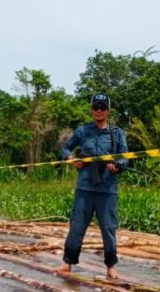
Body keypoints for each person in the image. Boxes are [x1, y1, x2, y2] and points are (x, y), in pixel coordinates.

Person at [54, 93, 128, 279]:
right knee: (77, 227)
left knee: (108, 229)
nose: (99, 111)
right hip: (85, 189)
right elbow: (65, 148)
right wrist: (71, 159)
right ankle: (68, 263)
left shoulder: (117, 134)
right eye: (96, 107)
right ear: (91, 110)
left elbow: (125, 156)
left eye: (103, 107)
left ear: (108, 110)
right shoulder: (82, 131)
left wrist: (117, 166)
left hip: (107, 190)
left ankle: (111, 266)